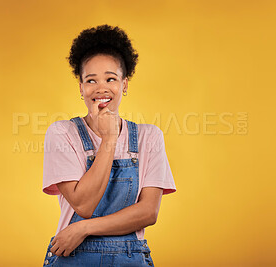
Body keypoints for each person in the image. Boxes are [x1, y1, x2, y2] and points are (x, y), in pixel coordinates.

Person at [42, 24, 176, 266]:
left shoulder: (149, 137)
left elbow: (148, 212)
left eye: (110, 78)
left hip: (129, 257)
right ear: (81, 87)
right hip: (73, 257)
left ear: (124, 84)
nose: (101, 88)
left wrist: (83, 229)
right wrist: (109, 139)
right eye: (91, 80)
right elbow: (83, 204)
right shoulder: (62, 133)